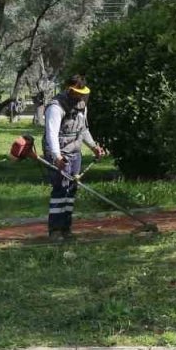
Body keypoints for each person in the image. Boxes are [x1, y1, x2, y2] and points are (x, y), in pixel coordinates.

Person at [44, 75, 105, 241]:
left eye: (82, 93)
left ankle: (66, 229)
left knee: (71, 189)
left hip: (75, 152)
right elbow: (51, 134)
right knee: (60, 190)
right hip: (59, 153)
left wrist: (94, 147)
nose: (80, 96)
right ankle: (55, 230)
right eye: (77, 92)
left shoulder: (82, 106)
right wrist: (57, 157)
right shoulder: (55, 107)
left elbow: (83, 130)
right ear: (69, 89)